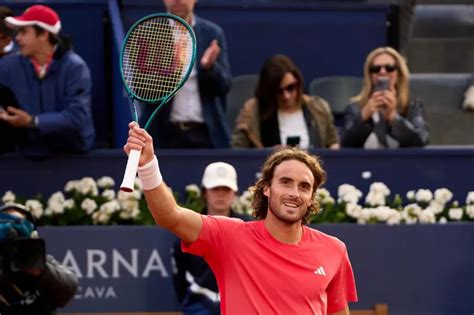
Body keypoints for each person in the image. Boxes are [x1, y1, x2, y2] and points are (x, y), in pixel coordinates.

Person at [124, 122, 357, 314]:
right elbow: (170, 216)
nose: (294, 193)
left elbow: (338, 311)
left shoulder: (334, 250)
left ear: (311, 196)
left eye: (304, 187)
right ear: (266, 188)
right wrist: (147, 165)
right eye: (285, 182)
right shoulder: (230, 236)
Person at [0, 4, 95, 158]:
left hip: (72, 154)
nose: (17, 38)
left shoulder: (75, 67)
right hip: (30, 152)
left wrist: (32, 121)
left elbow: (76, 117)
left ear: (43, 34)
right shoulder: (10, 65)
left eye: (23, 32)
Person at [147, 0, 232, 148]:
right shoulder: (150, 33)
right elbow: (145, 93)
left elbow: (224, 87)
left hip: (207, 135)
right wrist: (173, 70)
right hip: (163, 136)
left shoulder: (212, 33)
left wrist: (209, 68)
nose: (178, 0)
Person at [172, 161, 252, 315]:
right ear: (204, 192)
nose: (220, 194)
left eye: (226, 189)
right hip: (198, 307)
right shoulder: (187, 229)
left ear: (234, 194)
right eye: (215, 189)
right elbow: (179, 281)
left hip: (241, 307)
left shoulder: (249, 228)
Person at [231, 54, 340, 149]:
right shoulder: (253, 111)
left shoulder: (318, 107)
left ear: (298, 83)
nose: (286, 96)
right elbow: (239, 152)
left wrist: (333, 149)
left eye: (290, 87)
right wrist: (267, 154)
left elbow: (332, 143)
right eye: (279, 91)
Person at [342, 46, 429, 148]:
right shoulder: (355, 108)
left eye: (390, 68)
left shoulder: (412, 106)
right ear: (369, 75)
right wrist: (363, 117)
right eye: (375, 69)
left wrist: (394, 118)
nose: (382, 72)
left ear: (399, 73)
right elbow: (345, 145)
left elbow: (420, 141)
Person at [0, 203, 78, 314]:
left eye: (18, 222)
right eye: (5, 221)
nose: (12, 229)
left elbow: (68, 289)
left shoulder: (42, 260)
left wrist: (40, 271)